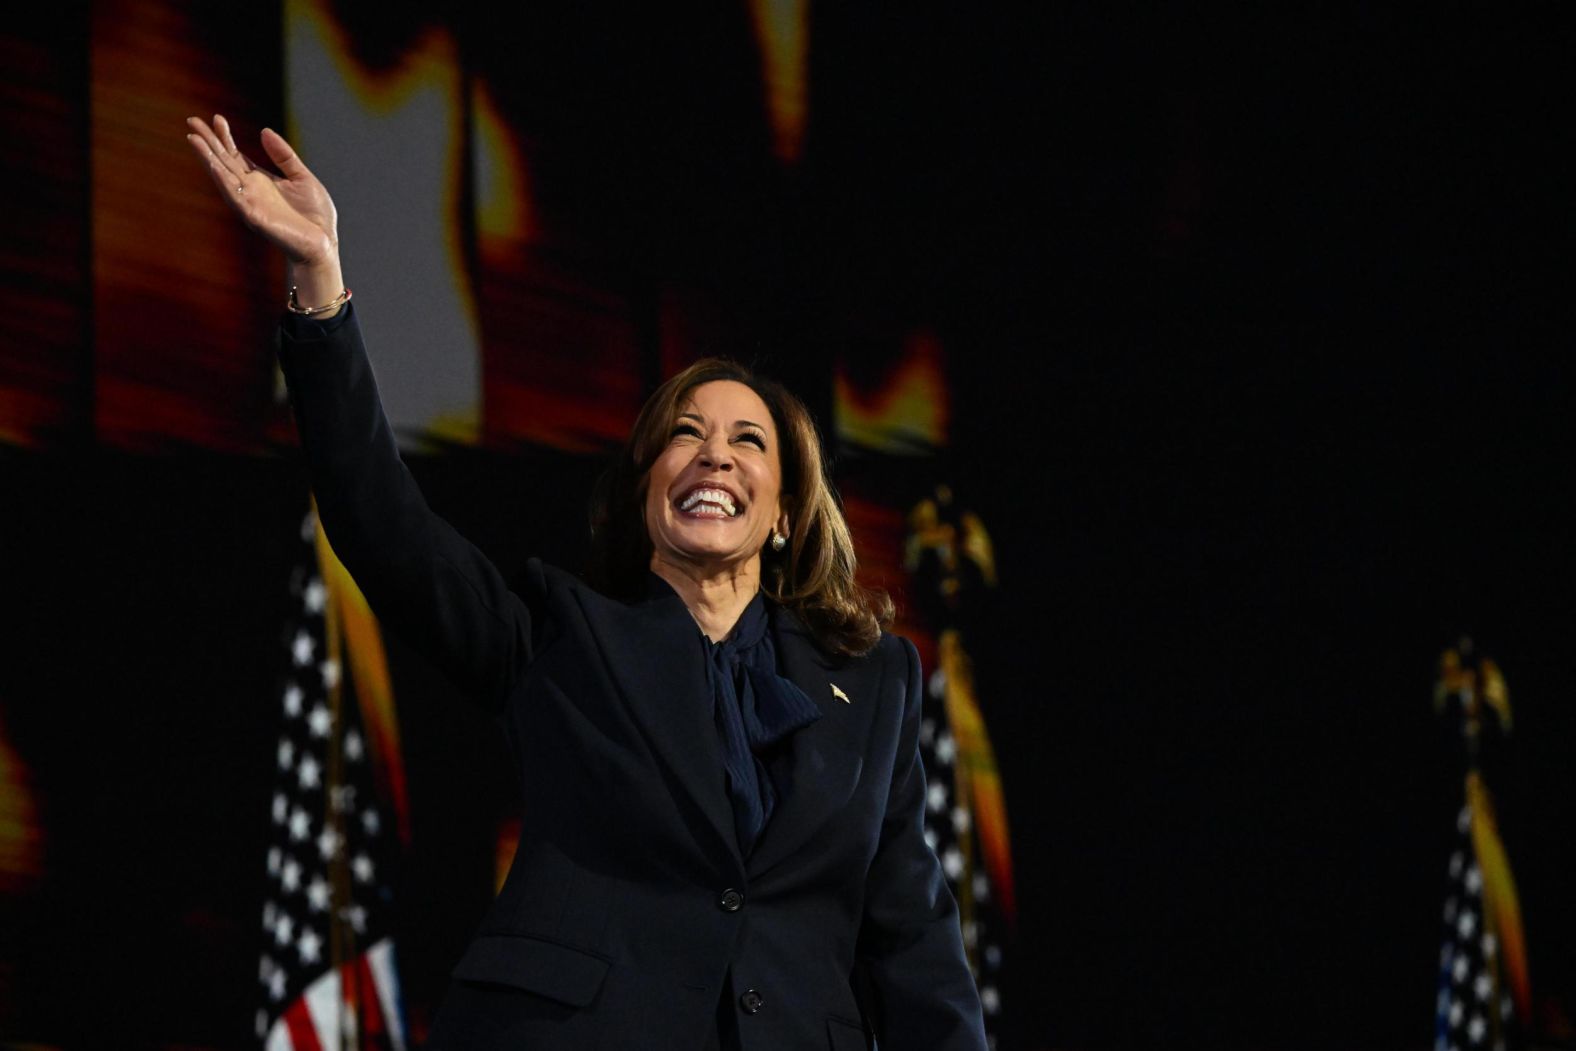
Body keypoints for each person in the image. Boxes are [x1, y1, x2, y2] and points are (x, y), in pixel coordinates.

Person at [185, 114, 988, 1050]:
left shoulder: (875, 686)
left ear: (784, 515)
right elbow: (385, 527)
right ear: (648, 492)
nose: (713, 456)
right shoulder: (563, 637)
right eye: (685, 435)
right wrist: (321, 284)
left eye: (747, 441)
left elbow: (918, 949)